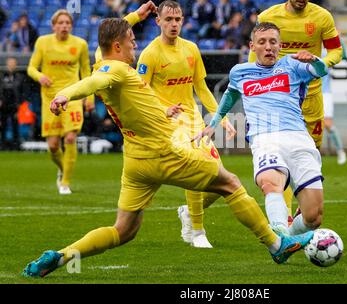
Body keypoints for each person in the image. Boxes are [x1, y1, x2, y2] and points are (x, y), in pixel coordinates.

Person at [22, 14, 314, 278]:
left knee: (123, 231)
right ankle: (276, 244)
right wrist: (65, 94)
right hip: (166, 152)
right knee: (231, 184)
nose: (135, 46)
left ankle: (62, 256)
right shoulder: (115, 70)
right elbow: (93, 81)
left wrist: (137, 17)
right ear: (118, 45)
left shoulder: (104, 58)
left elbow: (112, 75)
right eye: (131, 41)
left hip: (136, 163)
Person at [194, 22, 328, 238]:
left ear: (280, 45)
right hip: (264, 138)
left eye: (273, 42)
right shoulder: (240, 72)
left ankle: (289, 237)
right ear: (252, 46)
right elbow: (230, 95)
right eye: (262, 42)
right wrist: (214, 122)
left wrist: (315, 60)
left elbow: (321, 71)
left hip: (298, 137)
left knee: (314, 216)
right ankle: (279, 236)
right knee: (270, 182)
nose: (268, 47)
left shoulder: (292, 64)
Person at [136, 0, 236, 248]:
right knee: (194, 172)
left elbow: (201, 89)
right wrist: (160, 112)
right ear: (157, 21)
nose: (173, 24)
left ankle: (188, 211)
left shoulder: (191, 49)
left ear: (183, 21)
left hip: (193, 120)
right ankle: (198, 232)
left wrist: (219, 118)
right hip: (168, 124)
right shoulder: (150, 53)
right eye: (168, 19)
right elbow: (140, 92)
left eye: (177, 19)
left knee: (220, 179)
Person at [248, 0, 343, 218]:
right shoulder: (268, 17)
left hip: (311, 97)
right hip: (279, 98)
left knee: (310, 154)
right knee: (282, 159)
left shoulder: (322, 17)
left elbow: (336, 52)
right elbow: (254, 57)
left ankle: (304, 207)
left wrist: (317, 63)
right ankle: (287, 217)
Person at [27, 9, 92, 195]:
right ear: (53, 25)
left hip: (72, 96)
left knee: (70, 138)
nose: (64, 26)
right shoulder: (43, 42)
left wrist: (90, 97)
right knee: (53, 145)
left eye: (68, 23)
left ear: (71, 26)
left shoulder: (80, 44)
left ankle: (65, 182)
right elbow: (31, 67)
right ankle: (63, 168)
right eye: (61, 23)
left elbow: (86, 73)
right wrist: (40, 77)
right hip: (50, 98)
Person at [322, 38, 347, 165]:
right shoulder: (307, 48)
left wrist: (339, 37)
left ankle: (340, 151)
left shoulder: (327, 52)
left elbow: (343, 53)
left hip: (324, 92)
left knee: (327, 124)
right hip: (308, 93)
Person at [0, 57, 24, 150]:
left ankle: (16, 145)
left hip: (15, 105)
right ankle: (3, 144)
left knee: (15, 125)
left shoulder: (20, 77)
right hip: (3, 105)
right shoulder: (2, 76)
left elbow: (23, 92)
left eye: (13, 63)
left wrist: (20, 103)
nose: (11, 65)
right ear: (7, 64)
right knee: (3, 125)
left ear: (16, 65)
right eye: (10, 63)